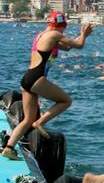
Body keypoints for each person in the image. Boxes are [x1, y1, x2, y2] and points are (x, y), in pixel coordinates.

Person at [2, 13, 94, 161]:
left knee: (27, 119)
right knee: (66, 101)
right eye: (63, 28)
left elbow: (68, 47)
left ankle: (9, 148)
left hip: (27, 79)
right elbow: (79, 45)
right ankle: (40, 122)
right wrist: (84, 34)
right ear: (62, 26)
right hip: (37, 78)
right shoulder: (54, 35)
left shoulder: (43, 35)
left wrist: (78, 37)